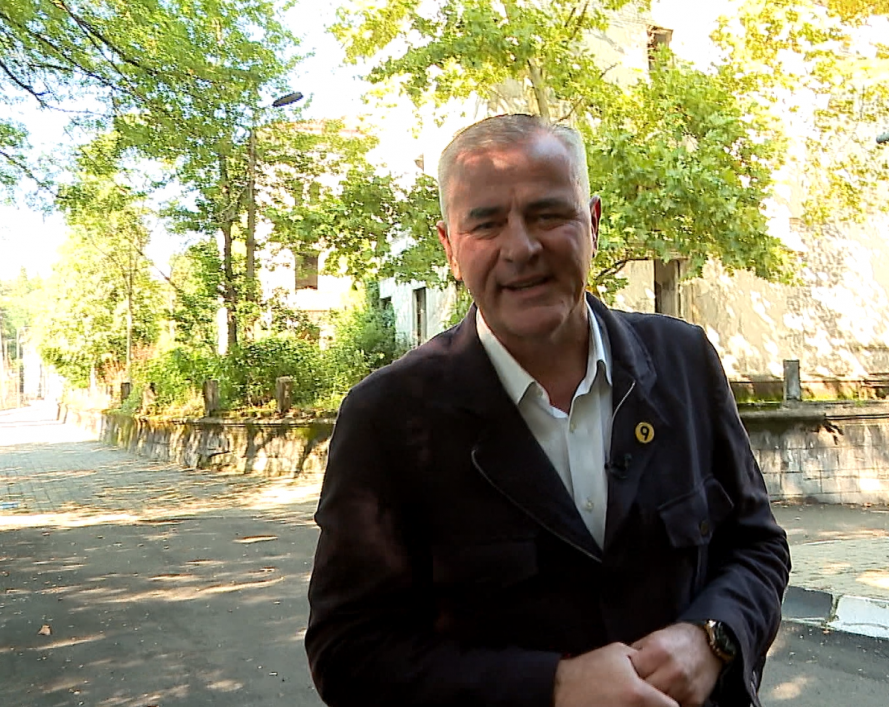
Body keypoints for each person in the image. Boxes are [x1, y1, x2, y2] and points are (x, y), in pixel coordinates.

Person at [305, 114, 791, 707]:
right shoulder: (388, 419)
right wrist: (553, 686)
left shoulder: (683, 361)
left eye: (548, 214)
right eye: (486, 224)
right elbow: (349, 653)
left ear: (593, 224)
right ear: (450, 248)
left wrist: (712, 637)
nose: (521, 248)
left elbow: (757, 547)